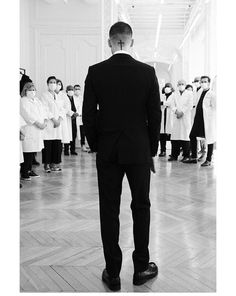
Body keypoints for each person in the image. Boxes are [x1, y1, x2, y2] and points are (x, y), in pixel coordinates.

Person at [83, 21, 161, 291]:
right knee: (141, 206)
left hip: (109, 150)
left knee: (109, 209)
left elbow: (88, 116)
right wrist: (151, 149)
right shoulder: (147, 72)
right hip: (139, 149)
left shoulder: (96, 72)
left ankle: (113, 272)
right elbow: (155, 115)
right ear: (131, 41)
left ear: (110, 42)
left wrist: (96, 145)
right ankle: (141, 268)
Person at [183, 76, 216, 166]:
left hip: (207, 120)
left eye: (205, 81)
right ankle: (194, 157)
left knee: (209, 138)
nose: (203, 83)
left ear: (209, 83)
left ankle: (208, 159)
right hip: (198, 118)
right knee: (192, 135)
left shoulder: (212, 94)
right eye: (202, 82)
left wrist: (210, 116)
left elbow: (215, 107)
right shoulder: (199, 92)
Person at [20, 82, 48, 180]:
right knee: (27, 151)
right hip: (30, 128)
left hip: (38, 129)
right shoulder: (23, 101)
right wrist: (37, 123)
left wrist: (44, 121)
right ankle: (24, 172)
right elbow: (26, 115)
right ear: (25, 91)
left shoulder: (37, 100)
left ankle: (29, 169)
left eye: (33, 90)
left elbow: (44, 111)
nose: (32, 92)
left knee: (33, 151)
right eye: (30, 90)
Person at [40, 76, 63, 172]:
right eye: (51, 82)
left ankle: (54, 164)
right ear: (48, 84)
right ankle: (47, 164)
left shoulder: (58, 96)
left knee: (56, 144)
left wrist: (59, 120)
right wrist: (54, 119)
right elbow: (45, 109)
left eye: (54, 82)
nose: (53, 84)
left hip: (58, 124)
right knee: (48, 144)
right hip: (50, 123)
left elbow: (62, 109)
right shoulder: (44, 95)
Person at [168, 79, 193, 162]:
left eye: (182, 84)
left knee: (185, 137)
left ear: (185, 85)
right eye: (179, 84)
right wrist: (176, 111)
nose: (181, 85)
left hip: (185, 116)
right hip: (176, 117)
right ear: (177, 85)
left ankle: (186, 155)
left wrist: (182, 112)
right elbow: (171, 104)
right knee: (175, 137)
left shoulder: (189, 94)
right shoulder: (174, 94)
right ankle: (174, 155)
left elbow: (190, 105)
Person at [55, 79, 74, 152]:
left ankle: (64, 151)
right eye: (56, 83)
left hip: (62, 118)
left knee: (63, 136)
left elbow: (66, 107)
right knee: (55, 137)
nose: (57, 85)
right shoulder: (51, 95)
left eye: (59, 84)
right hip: (53, 118)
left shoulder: (63, 95)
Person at [192, 77, 206, 160]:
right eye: (195, 81)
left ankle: (203, 153)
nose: (197, 83)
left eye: (198, 81)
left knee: (202, 136)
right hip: (196, 115)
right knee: (195, 135)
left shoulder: (203, 91)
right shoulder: (195, 91)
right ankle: (195, 154)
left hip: (202, 116)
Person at [158, 83, 174, 157]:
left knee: (171, 135)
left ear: (171, 88)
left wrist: (163, 103)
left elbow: (170, 104)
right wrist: (163, 103)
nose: (167, 88)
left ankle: (173, 152)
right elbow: (158, 103)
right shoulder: (162, 95)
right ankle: (163, 151)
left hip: (170, 117)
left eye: (168, 87)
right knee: (162, 135)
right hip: (163, 116)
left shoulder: (173, 96)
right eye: (166, 87)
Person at [74, 84, 90, 152]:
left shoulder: (82, 97)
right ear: (74, 90)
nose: (77, 90)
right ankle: (71, 146)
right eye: (76, 89)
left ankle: (83, 145)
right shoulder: (72, 98)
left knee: (82, 132)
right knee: (74, 133)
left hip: (81, 117)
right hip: (75, 117)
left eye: (78, 89)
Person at [64, 85, 79, 155]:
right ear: (66, 91)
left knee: (74, 134)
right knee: (67, 135)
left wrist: (76, 114)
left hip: (74, 119)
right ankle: (66, 150)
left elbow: (78, 107)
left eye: (72, 90)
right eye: (69, 89)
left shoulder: (75, 98)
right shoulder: (64, 98)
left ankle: (73, 150)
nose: (71, 91)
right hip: (68, 118)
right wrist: (72, 113)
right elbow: (65, 108)